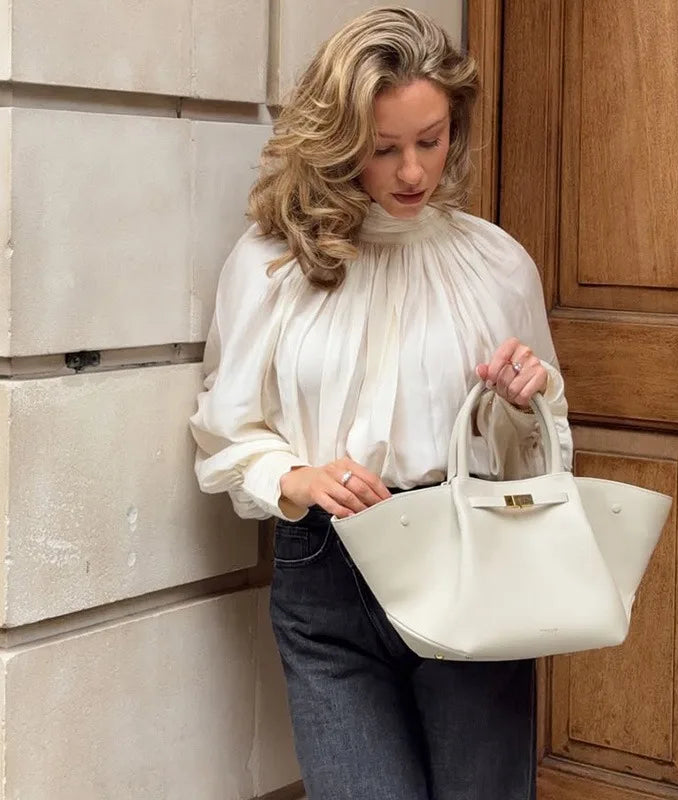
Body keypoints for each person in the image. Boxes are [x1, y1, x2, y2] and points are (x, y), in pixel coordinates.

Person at [189, 7, 572, 799]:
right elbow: (225, 429)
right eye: (383, 148)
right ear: (337, 141)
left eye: (429, 141)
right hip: (326, 569)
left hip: (468, 559)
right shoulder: (273, 264)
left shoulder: (497, 264)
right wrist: (294, 479)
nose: (411, 173)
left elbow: (542, 451)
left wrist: (527, 394)